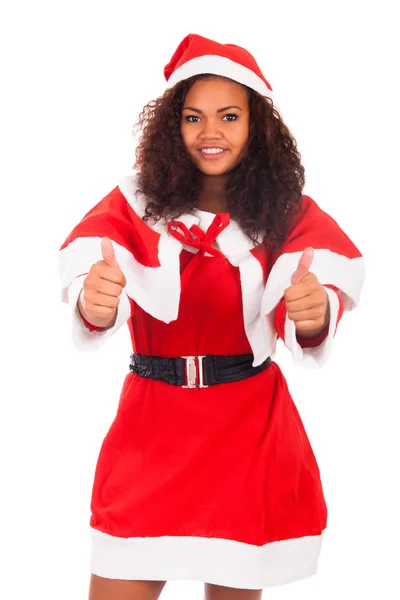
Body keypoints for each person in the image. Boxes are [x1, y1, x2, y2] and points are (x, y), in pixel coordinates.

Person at [58, 33, 365, 600]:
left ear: (256, 126)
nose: (211, 132)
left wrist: (315, 311)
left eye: (229, 115)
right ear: (173, 127)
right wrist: (92, 302)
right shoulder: (133, 204)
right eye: (194, 117)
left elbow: (326, 291)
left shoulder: (287, 214)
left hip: (246, 431)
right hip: (151, 429)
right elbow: (89, 272)